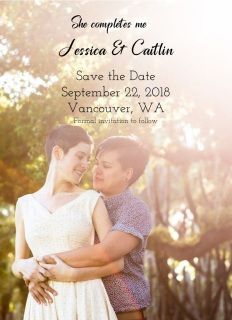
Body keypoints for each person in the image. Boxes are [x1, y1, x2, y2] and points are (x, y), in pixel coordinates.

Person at [25, 135, 152, 320]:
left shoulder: (134, 210)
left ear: (128, 173)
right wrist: (32, 273)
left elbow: (105, 252)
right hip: (82, 307)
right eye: (97, 163)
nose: (96, 170)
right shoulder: (85, 202)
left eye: (106, 166)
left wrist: (39, 265)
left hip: (122, 310)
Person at [12, 125, 122, 320]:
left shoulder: (91, 200)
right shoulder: (25, 205)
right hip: (43, 306)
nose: (85, 164)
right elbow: (17, 262)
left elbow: (118, 262)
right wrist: (24, 267)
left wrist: (72, 275)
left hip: (87, 301)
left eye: (88, 159)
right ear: (58, 152)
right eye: (80, 156)